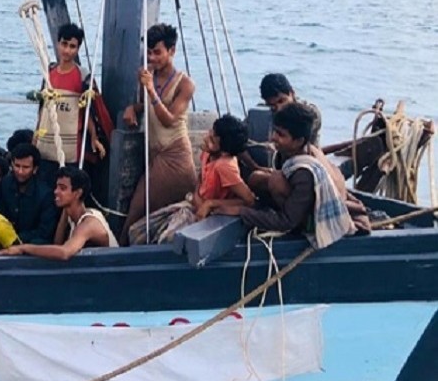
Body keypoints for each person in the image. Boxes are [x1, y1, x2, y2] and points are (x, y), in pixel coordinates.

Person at [214, 103, 355, 249]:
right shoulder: (290, 153)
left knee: (275, 180)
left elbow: (286, 221)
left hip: (304, 222)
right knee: (257, 177)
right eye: (275, 131)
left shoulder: (304, 172)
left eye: (281, 134)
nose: (273, 137)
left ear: (299, 141)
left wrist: (241, 212)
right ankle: (265, 209)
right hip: (295, 204)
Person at [120, 23, 197, 245]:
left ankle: (120, 251)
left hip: (174, 157)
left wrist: (150, 89)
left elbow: (169, 119)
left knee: (136, 211)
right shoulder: (149, 75)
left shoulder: (185, 84)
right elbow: (149, 106)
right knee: (147, 214)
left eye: (157, 53)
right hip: (155, 156)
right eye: (149, 53)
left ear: (172, 51)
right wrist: (133, 108)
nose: (152, 58)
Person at [128, 114, 256, 245]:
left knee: (168, 241)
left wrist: (211, 204)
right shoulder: (207, 154)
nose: (206, 139)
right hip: (192, 205)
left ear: (224, 152)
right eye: (210, 133)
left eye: (212, 140)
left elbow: (249, 200)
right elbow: (200, 182)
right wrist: (197, 198)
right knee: (137, 232)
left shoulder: (224, 166)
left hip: (209, 215)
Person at [34, 23, 105, 185]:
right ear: (58, 44)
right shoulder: (48, 73)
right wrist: (35, 137)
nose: (67, 50)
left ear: (78, 48)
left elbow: (88, 111)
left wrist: (94, 138)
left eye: (72, 46)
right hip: (45, 146)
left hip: (70, 148)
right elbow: (42, 109)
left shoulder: (82, 76)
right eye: (64, 44)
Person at [0, 166, 117, 260]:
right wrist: (65, 213)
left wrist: (23, 248)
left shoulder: (89, 224)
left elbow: (64, 252)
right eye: (56, 187)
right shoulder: (70, 213)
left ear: (78, 193)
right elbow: (58, 243)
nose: (56, 192)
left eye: (63, 188)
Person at [0, 144, 57, 244]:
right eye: (17, 166)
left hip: (31, 247)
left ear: (35, 169)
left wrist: (18, 239)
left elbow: (45, 232)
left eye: (25, 167)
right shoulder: (5, 184)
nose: (20, 171)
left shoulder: (45, 195)